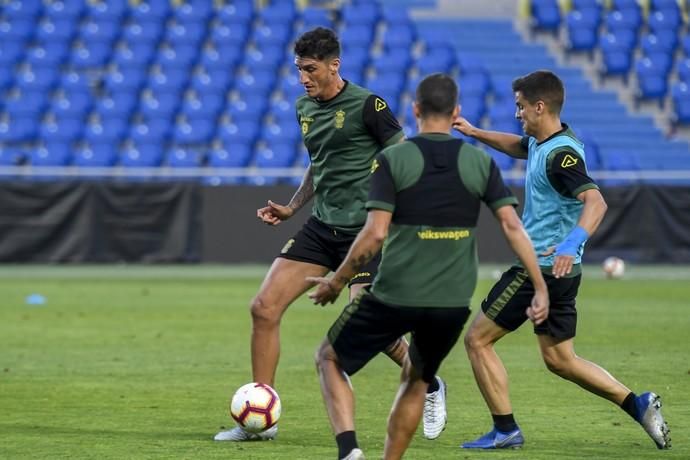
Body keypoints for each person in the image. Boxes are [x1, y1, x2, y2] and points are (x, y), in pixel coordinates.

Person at [214, 27, 446, 442]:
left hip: (368, 230)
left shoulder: (368, 105)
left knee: (368, 325)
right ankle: (260, 421)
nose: (303, 77)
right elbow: (320, 163)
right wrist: (292, 207)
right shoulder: (304, 107)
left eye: (310, 69)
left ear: (333, 65)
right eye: (299, 69)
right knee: (263, 307)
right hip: (323, 225)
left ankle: (429, 382)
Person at [307, 73, 549, 460]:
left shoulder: (393, 159)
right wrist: (539, 286)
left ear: (415, 110)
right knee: (416, 380)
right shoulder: (479, 162)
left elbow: (374, 235)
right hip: (451, 304)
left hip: (396, 294)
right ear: (456, 113)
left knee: (329, 358)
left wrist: (338, 281)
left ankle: (349, 451)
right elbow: (512, 227)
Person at [454, 69, 671, 450]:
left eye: (521, 107)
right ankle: (637, 404)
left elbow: (596, 201)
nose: (517, 114)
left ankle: (505, 430)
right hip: (562, 273)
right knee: (560, 359)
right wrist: (474, 132)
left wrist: (571, 243)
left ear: (540, 106)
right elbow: (517, 146)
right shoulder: (548, 142)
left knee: (476, 340)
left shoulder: (562, 156)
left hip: (539, 266)